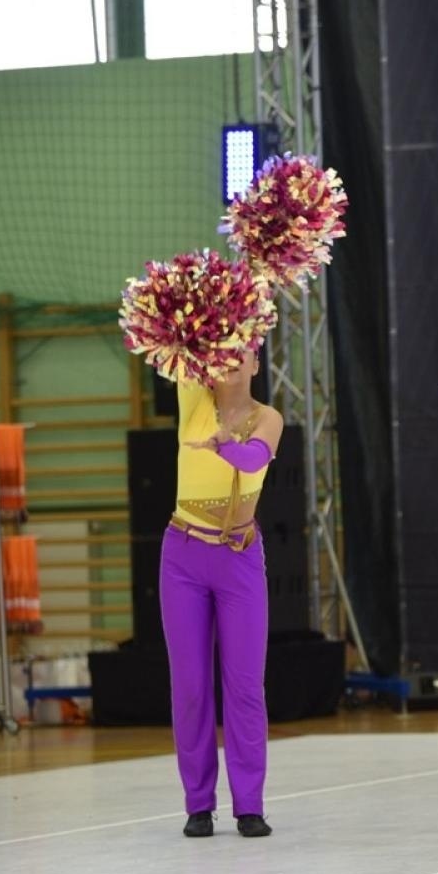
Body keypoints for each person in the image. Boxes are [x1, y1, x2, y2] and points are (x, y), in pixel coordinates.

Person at [165, 348, 284, 839]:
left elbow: (255, 457)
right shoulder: (193, 399)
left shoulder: (268, 418)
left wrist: (222, 447)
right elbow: (179, 347)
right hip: (183, 557)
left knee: (244, 686)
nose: (234, 361)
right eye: (224, 353)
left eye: (245, 355)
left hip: (238, 560)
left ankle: (249, 805)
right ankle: (198, 804)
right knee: (191, 686)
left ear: (257, 366)